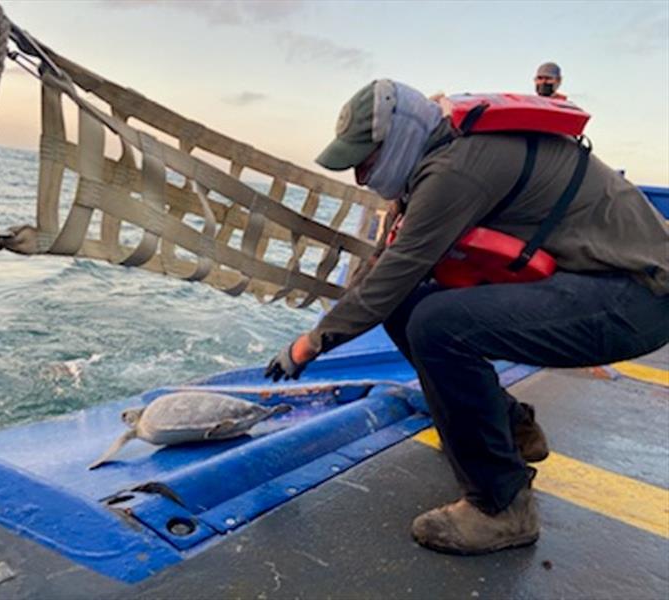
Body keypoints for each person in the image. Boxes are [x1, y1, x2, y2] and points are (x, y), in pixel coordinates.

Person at [264, 79, 669, 555]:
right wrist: (325, 329)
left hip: (637, 298)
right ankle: (513, 430)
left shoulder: (455, 171)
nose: (360, 176)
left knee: (437, 325)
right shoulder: (439, 157)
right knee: (409, 307)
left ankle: (502, 506)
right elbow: (385, 268)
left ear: (400, 139)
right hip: (595, 282)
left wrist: (308, 346)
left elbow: (393, 272)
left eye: (366, 160)